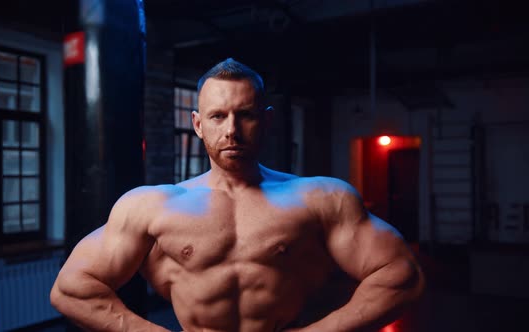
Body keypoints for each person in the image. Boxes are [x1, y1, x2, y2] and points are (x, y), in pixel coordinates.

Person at [50, 58, 425, 332]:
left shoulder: (320, 199)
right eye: (217, 116)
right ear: (197, 124)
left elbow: (401, 276)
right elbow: (72, 289)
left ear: (267, 120)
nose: (232, 130)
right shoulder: (151, 206)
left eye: (245, 115)